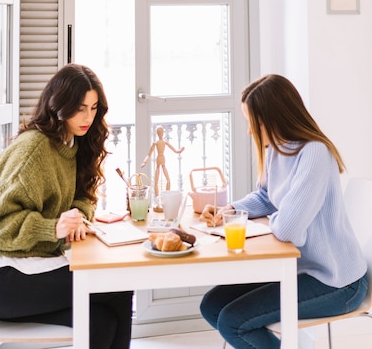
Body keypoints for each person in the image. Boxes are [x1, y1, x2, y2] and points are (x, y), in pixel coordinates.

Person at [0, 63, 133, 349]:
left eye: (94, 108)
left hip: (33, 267)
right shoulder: (33, 149)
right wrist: (53, 227)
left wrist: (77, 217)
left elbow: (83, 197)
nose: (88, 117)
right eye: (80, 108)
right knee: (115, 287)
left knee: (100, 320)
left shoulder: (73, 144)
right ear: (59, 105)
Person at [199, 73, 368, 349]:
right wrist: (230, 210)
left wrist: (278, 217)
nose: (249, 131)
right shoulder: (277, 149)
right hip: (298, 269)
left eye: (254, 123)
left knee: (233, 321)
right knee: (212, 305)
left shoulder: (314, 153)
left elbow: (288, 228)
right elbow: (266, 196)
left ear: (275, 117)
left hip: (337, 282)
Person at [140, 125, 185, 197]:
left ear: (163, 133)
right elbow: (149, 154)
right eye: (159, 132)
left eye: (161, 132)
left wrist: (179, 151)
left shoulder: (165, 142)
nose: (160, 134)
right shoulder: (155, 143)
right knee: (156, 181)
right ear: (157, 133)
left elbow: (174, 150)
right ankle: (157, 197)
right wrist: (144, 162)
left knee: (168, 179)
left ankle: (166, 196)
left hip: (162, 159)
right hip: (158, 159)